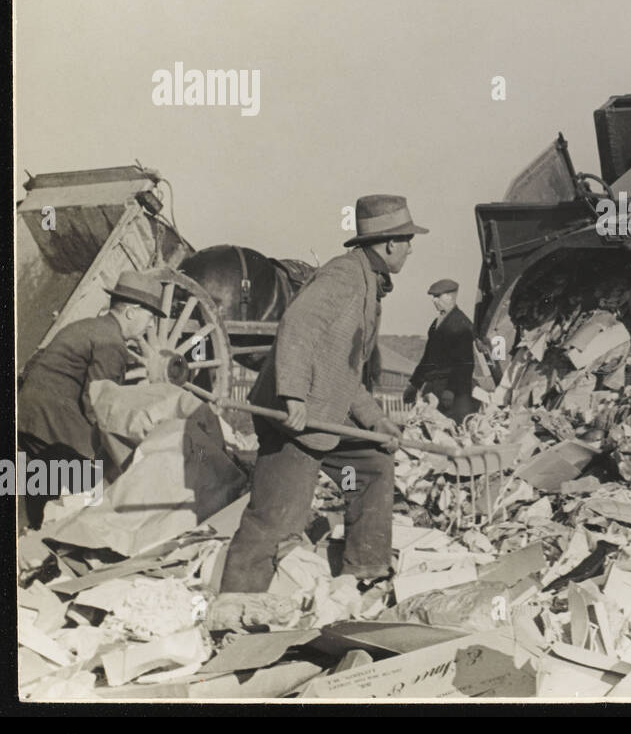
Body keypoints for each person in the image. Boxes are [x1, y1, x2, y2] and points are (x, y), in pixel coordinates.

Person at [215, 195, 428, 605]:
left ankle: (364, 570)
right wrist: (292, 394)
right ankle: (236, 601)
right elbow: (297, 325)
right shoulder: (345, 277)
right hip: (293, 417)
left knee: (373, 462)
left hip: (323, 414)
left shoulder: (369, 283)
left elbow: (342, 369)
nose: (410, 249)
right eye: (407, 241)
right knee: (277, 518)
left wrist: (375, 421)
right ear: (388, 245)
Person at [16, 268, 166, 530]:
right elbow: (98, 404)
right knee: (92, 484)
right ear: (131, 312)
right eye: (150, 316)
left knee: (46, 482)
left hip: (31, 414)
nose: (151, 324)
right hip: (51, 421)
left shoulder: (90, 327)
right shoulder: (111, 343)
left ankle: (35, 527)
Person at [405, 278, 478, 424]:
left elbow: (465, 363)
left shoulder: (461, 324)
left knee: (450, 430)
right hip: (433, 388)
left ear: (450, 297)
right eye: (433, 297)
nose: (434, 300)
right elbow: (428, 358)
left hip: (452, 391)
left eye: (437, 296)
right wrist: (414, 384)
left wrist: (451, 390)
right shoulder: (437, 323)